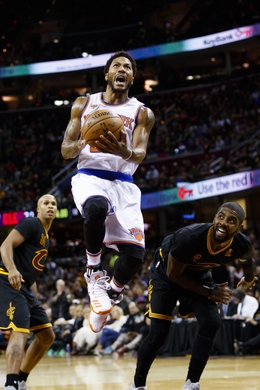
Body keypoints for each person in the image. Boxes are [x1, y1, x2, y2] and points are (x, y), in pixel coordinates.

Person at [61, 50, 155, 333]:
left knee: (135, 258)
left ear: (133, 77)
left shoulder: (142, 113)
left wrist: (124, 150)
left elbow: (139, 153)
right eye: (117, 65)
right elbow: (66, 150)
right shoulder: (83, 103)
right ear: (107, 74)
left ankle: (112, 292)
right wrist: (83, 141)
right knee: (96, 208)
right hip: (90, 176)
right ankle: (93, 271)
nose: (122, 69)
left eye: (127, 67)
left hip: (123, 184)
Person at [127, 202, 258, 390]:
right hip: (166, 275)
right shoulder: (189, 237)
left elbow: (247, 261)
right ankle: (137, 385)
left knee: (212, 321)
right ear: (214, 218)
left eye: (231, 220)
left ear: (239, 228)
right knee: (158, 333)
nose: (223, 223)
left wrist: (249, 278)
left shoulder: (241, 244)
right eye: (220, 216)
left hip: (198, 276)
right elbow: (174, 275)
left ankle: (191, 383)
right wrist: (210, 292)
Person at [0, 194, 57, 390]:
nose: (50, 206)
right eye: (46, 203)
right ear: (38, 209)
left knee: (47, 335)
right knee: (21, 331)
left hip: (25, 287)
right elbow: (5, 245)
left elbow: (32, 272)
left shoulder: (46, 237)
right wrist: (12, 270)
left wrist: (35, 298)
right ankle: (11, 384)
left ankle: (22, 379)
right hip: (8, 280)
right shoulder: (31, 223)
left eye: (53, 203)